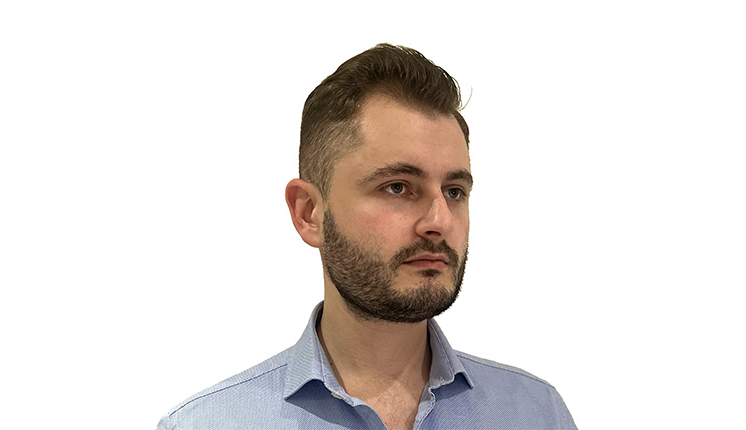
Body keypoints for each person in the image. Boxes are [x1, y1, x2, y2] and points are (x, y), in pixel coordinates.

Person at [157, 43, 576, 430]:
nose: (440, 220)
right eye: (397, 187)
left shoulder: (535, 413)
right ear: (309, 213)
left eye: (454, 192)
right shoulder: (208, 424)